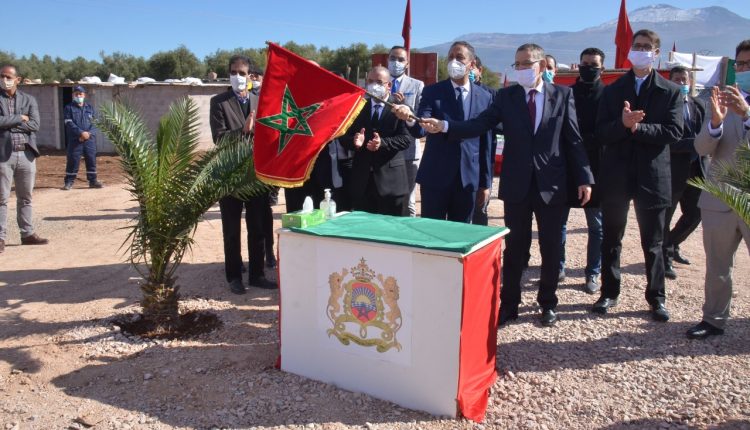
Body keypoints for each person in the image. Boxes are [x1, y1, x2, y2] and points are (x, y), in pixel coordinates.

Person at [403, 43, 594, 327]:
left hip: (551, 184)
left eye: (526, 63)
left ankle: (547, 303)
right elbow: (479, 125)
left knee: (552, 247)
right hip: (517, 184)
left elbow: (573, 138)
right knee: (514, 248)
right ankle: (509, 305)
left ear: (541, 66)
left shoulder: (563, 95)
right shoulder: (506, 97)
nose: (521, 69)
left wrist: (584, 177)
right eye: (517, 64)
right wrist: (445, 126)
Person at [593, 29, 684, 321]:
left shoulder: (670, 91)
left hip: (652, 176)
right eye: (637, 46)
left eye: (646, 47)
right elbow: (601, 132)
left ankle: (656, 298)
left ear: (656, 54)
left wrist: (638, 128)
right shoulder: (613, 90)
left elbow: (674, 131)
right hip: (617, 175)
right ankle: (609, 292)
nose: (640, 51)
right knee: (611, 238)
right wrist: (621, 125)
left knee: (653, 242)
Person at [686, 39, 750, 339]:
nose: (744, 70)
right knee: (717, 266)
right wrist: (714, 123)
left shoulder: (742, 106)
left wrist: (747, 115)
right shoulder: (720, 101)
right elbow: (701, 148)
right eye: (741, 65)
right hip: (718, 201)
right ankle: (713, 319)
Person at [393, 41, 493, 223]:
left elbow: (486, 142)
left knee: (460, 233)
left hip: (468, 179)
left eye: (459, 57)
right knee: (431, 231)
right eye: (451, 57)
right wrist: (409, 117)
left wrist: (485, 183)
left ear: (471, 64)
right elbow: (421, 127)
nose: (454, 61)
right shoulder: (433, 92)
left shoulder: (485, 97)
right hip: (435, 177)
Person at [209, 55, 276, 293]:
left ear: (250, 76)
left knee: (257, 227)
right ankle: (234, 276)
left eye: (242, 73)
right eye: (233, 72)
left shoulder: (260, 100)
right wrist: (243, 130)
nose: (237, 77)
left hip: (255, 175)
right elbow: (219, 138)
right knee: (232, 229)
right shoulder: (219, 102)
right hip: (230, 176)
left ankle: (257, 275)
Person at [560, 48, 606, 294]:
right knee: (559, 221)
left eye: (593, 65)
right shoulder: (566, 93)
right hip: (566, 165)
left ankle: (593, 272)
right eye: (584, 64)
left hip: (596, 166)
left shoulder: (609, 96)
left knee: (597, 225)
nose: (588, 68)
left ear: (602, 68)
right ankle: (558, 266)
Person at [340, 67, 411, 215]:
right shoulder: (358, 108)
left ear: (388, 85)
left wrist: (382, 143)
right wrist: (354, 141)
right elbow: (343, 137)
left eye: (379, 82)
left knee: (391, 227)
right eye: (370, 81)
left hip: (391, 184)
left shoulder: (400, 109)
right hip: (362, 183)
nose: (374, 86)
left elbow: (405, 139)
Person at [0, 64, 49, 254]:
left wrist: (9, 123)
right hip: (3, 156)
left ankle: (27, 234)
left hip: (26, 154)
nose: (5, 80)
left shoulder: (29, 99)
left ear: (17, 79)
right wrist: (20, 118)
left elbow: (35, 124)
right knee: (2, 198)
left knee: (26, 197)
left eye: (8, 77)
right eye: (2, 76)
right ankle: (1, 238)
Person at [663, 66, 706, 280]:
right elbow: (665, 139)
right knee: (665, 216)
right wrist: (695, 143)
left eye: (684, 80)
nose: (682, 83)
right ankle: (664, 258)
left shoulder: (698, 105)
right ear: (670, 82)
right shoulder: (664, 106)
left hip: (697, 170)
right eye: (677, 80)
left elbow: (706, 133)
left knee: (695, 213)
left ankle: (672, 243)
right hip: (672, 170)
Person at [387, 45, 424, 217]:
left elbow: (421, 116)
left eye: (401, 59)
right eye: (393, 58)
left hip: (408, 152)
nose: (396, 62)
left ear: (407, 63)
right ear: (387, 60)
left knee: (408, 201)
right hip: (385, 147)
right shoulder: (379, 83)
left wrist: (405, 106)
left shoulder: (417, 85)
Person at [63, 85, 103, 190]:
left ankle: (93, 181)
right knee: (73, 160)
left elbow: (96, 123)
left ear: (84, 95)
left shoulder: (90, 108)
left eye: (80, 94)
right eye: (76, 94)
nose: (78, 96)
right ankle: (69, 182)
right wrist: (81, 133)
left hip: (89, 139)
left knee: (91, 160)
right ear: (73, 95)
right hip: (75, 139)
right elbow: (69, 123)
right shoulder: (69, 108)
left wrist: (88, 134)